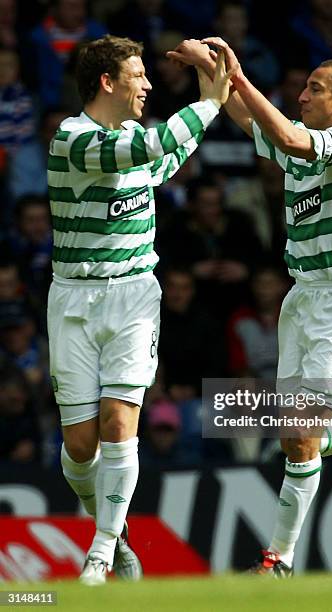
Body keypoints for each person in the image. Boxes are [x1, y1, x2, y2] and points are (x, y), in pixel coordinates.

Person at [167, 37, 332, 576]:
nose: (301, 94)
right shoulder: (299, 152)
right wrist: (211, 69)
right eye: (303, 86)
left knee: (302, 431)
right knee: (293, 439)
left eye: (315, 88)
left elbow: (282, 131)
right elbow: (245, 115)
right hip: (301, 301)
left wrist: (237, 67)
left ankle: (279, 560)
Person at [47, 34, 231, 586]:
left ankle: (102, 555)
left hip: (133, 294)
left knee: (119, 421)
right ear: (108, 82)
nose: (148, 84)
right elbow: (147, 150)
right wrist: (208, 103)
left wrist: (212, 92)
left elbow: (164, 157)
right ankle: (116, 528)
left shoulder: (133, 137)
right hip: (74, 299)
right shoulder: (72, 139)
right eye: (138, 75)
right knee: (80, 446)